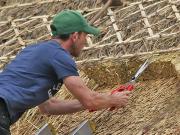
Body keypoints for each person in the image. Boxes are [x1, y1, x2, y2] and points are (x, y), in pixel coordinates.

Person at [0, 10, 130, 135]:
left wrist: (100, 100)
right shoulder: (59, 55)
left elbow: (48, 107)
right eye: (85, 35)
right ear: (74, 36)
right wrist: (112, 100)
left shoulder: (34, 51)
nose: (85, 41)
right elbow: (90, 100)